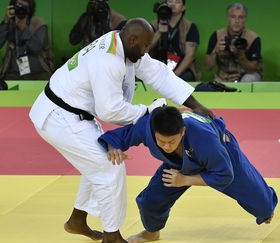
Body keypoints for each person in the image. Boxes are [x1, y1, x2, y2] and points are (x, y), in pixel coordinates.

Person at [28, 18, 213, 243]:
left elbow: (158, 73)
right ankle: (112, 236)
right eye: (145, 46)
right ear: (133, 39)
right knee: (109, 166)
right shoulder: (108, 61)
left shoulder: (125, 45)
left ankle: (77, 220)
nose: (147, 52)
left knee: (96, 163)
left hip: (74, 113)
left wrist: (196, 105)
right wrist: (150, 113)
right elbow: (109, 111)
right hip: (59, 117)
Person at [98, 106, 278, 243]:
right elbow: (121, 136)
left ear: (182, 132)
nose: (167, 146)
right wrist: (114, 148)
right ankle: (151, 232)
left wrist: (185, 179)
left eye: (172, 141)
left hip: (222, 156)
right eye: (162, 141)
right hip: (179, 164)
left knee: (264, 208)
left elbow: (224, 175)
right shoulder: (147, 127)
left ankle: (267, 203)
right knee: (150, 201)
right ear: (153, 133)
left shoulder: (204, 138)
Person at [0, 0, 55, 80]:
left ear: (29, 9)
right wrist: (5, 22)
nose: (20, 10)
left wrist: (24, 28)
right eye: (18, 6)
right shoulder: (10, 23)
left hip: (39, 74)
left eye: (24, 8)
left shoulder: (38, 24)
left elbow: (36, 48)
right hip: (14, 74)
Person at [205, 3, 262, 82]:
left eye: (241, 17)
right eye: (233, 17)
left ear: (245, 19)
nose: (236, 21)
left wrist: (240, 56)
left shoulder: (253, 38)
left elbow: (252, 69)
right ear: (228, 18)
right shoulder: (217, 35)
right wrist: (215, 51)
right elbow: (208, 67)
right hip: (222, 76)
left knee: (250, 78)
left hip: (244, 75)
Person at [149, 0, 200, 81]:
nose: (173, 4)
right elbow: (146, 48)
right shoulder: (154, 25)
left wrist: (174, 75)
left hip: (180, 69)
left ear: (183, 8)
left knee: (187, 76)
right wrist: (159, 31)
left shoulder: (190, 27)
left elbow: (190, 56)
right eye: (170, 1)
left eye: (177, 2)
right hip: (157, 65)